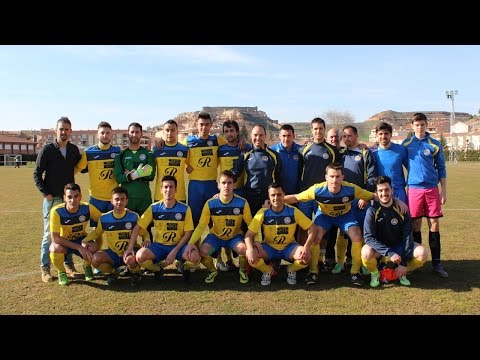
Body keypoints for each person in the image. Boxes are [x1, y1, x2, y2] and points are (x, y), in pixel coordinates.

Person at [284, 163, 407, 286]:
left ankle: (355, 273)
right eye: (331, 176)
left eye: (338, 176)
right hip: (324, 216)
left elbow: (375, 196)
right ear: (326, 177)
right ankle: (313, 272)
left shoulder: (351, 189)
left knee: (357, 235)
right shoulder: (317, 190)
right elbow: (296, 197)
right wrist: (277, 201)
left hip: (345, 216)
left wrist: (396, 200)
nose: (334, 180)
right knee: (316, 236)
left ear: (343, 177)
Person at [125, 176, 201, 284]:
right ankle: (157, 269)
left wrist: (174, 252)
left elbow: (188, 233)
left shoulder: (185, 208)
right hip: (159, 246)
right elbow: (138, 226)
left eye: (171, 187)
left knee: (195, 258)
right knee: (140, 257)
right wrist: (130, 247)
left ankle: (184, 267)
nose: (168, 190)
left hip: (178, 246)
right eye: (165, 187)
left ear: (176, 189)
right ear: (161, 189)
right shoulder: (154, 208)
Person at [33, 116, 82, 283]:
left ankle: (68, 266)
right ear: (56, 130)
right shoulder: (47, 150)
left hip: (68, 200)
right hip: (52, 199)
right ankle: (45, 268)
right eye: (61, 129)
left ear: (70, 131)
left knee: (67, 234)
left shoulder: (74, 150)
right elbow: (37, 174)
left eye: (66, 129)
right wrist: (46, 194)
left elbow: (80, 167)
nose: (64, 132)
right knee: (49, 235)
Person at [184, 170, 252, 284]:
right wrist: (191, 243)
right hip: (216, 239)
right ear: (218, 185)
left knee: (244, 249)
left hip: (234, 238)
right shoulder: (210, 203)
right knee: (204, 252)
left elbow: (251, 225)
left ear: (233, 185)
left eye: (229, 183)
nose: (226, 186)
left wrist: (256, 243)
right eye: (223, 183)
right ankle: (212, 270)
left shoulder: (242, 203)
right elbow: (201, 226)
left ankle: (242, 270)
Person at [402, 112, 448, 277]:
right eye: (416, 125)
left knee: (434, 225)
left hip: (431, 189)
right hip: (414, 189)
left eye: (422, 124)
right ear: (412, 126)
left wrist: (443, 190)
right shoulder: (406, 144)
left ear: (426, 125)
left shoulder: (434, 144)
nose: (419, 127)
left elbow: (441, 168)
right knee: (415, 225)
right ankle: (417, 262)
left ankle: (437, 264)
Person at [362, 176, 429, 287]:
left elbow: (408, 235)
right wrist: (389, 253)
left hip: (399, 245)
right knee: (366, 253)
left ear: (392, 190)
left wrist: (403, 263)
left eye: (387, 190)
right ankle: (375, 273)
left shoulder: (402, 209)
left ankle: (401, 272)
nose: (384, 193)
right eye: (380, 190)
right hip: (381, 248)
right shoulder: (372, 211)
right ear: (376, 193)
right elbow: (368, 237)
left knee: (422, 253)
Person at [244, 183, 316, 286]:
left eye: (279, 194)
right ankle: (268, 270)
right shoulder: (263, 213)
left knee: (306, 257)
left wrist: (306, 247)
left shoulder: (293, 211)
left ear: (284, 195)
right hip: (269, 248)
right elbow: (248, 235)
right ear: (269, 197)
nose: (276, 198)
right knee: (249, 254)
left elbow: (313, 228)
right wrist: (251, 250)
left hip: (289, 247)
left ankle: (290, 269)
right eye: (273, 195)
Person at [332, 125, 377, 274]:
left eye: (349, 136)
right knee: (343, 232)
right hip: (344, 200)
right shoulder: (341, 154)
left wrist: (365, 196)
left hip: (361, 200)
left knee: (363, 232)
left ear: (356, 136)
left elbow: (372, 177)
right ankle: (340, 262)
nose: (346, 139)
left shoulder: (365, 152)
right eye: (344, 136)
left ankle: (363, 262)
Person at [296, 118, 340, 271]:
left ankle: (320, 259)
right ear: (311, 130)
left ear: (324, 129)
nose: (318, 131)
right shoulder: (304, 150)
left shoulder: (332, 151)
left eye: (320, 128)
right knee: (303, 227)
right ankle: (302, 257)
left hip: (324, 196)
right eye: (315, 129)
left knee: (322, 228)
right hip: (307, 195)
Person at [83, 186, 147, 287]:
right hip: (113, 253)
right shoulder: (104, 218)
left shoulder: (133, 216)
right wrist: (85, 240)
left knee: (130, 260)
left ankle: (135, 273)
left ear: (126, 201)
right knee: (96, 259)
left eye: (122, 199)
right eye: (116, 199)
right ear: (111, 201)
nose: (119, 202)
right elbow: (97, 233)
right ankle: (114, 272)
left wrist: (146, 240)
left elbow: (144, 232)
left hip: (130, 252)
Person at [216, 120, 251, 272]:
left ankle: (247, 259)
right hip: (224, 193)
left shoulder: (245, 148)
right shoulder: (220, 149)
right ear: (223, 134)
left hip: (241, 191)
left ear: (237, 132)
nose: (229, 134)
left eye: (232, 131)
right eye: (226, 132)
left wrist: (245, 140)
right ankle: (225, 259)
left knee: (242, 228)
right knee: (222, 225)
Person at [49, 183, 98, 286]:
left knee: (93, 246)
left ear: (80, 197)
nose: (73, 200)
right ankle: (61, 272)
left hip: (81, 239)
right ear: (64, 198)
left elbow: (104, 220)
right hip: (64, 242)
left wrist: (122, 211)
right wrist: (79, 247)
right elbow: (56, 238)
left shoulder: (87, 208)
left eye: (76, 196)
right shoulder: (57, 211)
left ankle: (87, 267)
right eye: (69, 197)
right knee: (54, 248)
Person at [75, 121, 121, 229]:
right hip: (96, 199)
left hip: (113, 198)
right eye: (102, 133)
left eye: (108, 133)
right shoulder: (89, 152)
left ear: (111, 135)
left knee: (114, 229)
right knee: (97, 231)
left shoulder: (118, 151)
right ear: (97, 135)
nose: (105, 135)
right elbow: (77, 168)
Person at [114, 122, 156, 236]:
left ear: (141, 134)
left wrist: (130, 175)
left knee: (146, 231)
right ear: (128, 134)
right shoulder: (120, 155)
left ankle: (147, 254)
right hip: (127, 199)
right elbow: (118, 178)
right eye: (132, 132)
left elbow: (151, 176)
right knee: (126, 231)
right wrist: (137, 174)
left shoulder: (148, 154)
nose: (134, 134)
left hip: (144, 198)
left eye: (137, 132)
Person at [233, 124, 282, 217]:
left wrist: (276, 197)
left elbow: (278, 178)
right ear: (251, 136)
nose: (258, 138)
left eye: (261, 135)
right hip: (249, 197)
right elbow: (234, 175)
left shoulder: (274, 155)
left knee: (267, 230)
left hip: (267, 198)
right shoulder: (245, 155)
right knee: (248, 229)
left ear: (265, 136)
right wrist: (222, 188)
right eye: (255, 135)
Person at [152, 120, 189, 203]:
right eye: (167, 130)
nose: (169, 133)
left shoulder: (184, 150)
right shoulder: (156, 150)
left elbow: (191, 168)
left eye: (172, 130)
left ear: (177, 132)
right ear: (163, 132)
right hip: (160, 196)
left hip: (179, 196)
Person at [372, 121, 409, 203]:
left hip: (398, 191)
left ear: (391, 135)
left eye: (386, 133)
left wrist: (409, 185)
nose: (383, 136)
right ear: (376, 136)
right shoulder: (372, 153)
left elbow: (411, 169)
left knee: (401, 215)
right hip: (381, 192)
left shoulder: (401, 150)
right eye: (380, 134)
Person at [269, 124, 303, 196]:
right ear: (279, 136)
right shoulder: (272, 151)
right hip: (278, 195)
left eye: (289, 136)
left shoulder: (301, 150)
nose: (286, 139)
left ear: (294, 136)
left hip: (296, 193)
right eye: (284, 136)